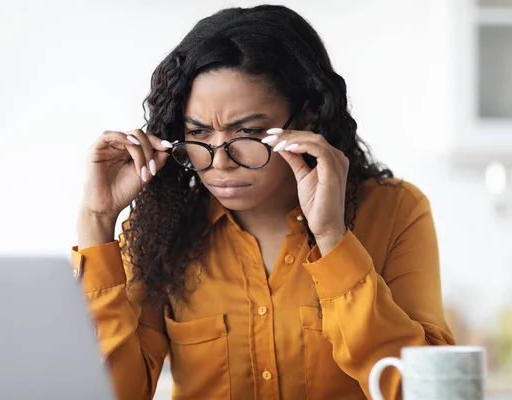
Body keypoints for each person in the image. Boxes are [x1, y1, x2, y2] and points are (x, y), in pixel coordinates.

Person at [72, 5, 455, 399]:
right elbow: (112, 393)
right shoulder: (162, 228)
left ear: (307, 117)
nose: (218, 161)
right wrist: (96, 221)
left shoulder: (396, 211)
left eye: (248, 132)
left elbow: (430, 392)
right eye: (199, 133)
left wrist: (333, 239)